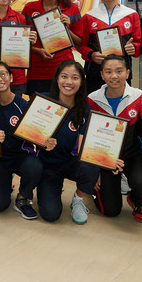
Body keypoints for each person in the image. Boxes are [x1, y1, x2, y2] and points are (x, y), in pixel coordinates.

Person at [87, 55, 142, 224]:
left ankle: (136, 201)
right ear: (102, 75)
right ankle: (96, 188)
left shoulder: (140, 97)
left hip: (133, 152)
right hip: (104, 157)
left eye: (119, 71)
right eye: (108, 72)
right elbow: (86, 138)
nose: (114, 76)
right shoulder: (91, 99)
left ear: (127, 73)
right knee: (110, 211)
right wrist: (93, 169)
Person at [35, 60, 99, 224]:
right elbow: (28, 134)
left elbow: (87, 147)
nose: (69, 82)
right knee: (50, 215)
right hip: (48, 166)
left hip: (71, 163)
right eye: (64, 76)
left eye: (75, 78)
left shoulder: (86, 109)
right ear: (57, 79)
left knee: (90, 167)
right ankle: (51, 190)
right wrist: (42, 142)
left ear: (81, 82)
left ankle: (78, 200)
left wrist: (106, 162)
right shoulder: (43, 102)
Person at [0, 59, 41, 220]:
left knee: (34, 166)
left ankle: (23, 199)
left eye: (3, 74)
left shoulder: (24, 105)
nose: (0, 79)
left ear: (11, 78)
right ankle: (3, 185)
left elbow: (36, 135)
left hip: (20, 156)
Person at [77, 0, 141, 93]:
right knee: (94, 108)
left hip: (122, 73)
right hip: (95, 73)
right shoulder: (89, 17)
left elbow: (138, 44)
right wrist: (92, 55)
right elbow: (82, 46)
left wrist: (134, 48)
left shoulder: (131, 15)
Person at [23, 0, 83, 97]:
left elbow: (79, 43)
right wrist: (38, 51)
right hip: (37, 71)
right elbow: (23, 41)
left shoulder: (71, 8)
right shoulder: (29, 8)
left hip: (64, 71)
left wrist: (66, 28)